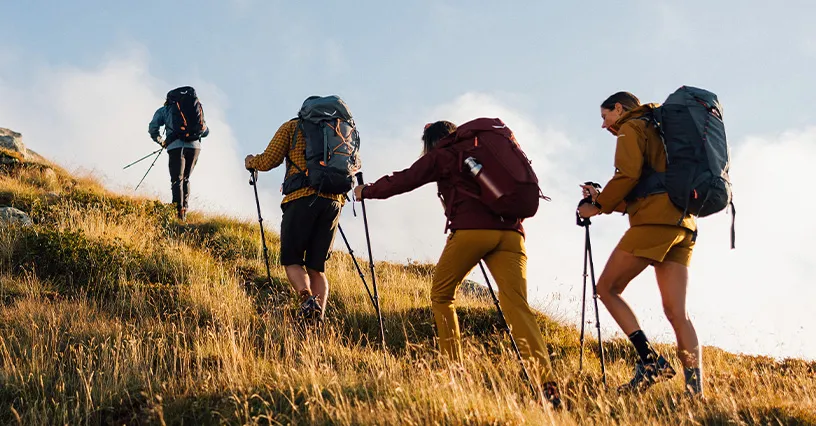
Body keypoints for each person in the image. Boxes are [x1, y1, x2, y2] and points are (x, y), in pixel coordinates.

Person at [353, 121, 561, 407]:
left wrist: (367, 191)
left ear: (431, 142)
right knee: (517, 306)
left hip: (472, 232)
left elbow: (406, 179)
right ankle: (547, 384)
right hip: (512, 235)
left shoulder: (444, 153)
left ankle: (455, 373)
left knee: (442, 295)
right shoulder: (484, 147)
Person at [577, 91, 703, 396]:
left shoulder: (631, 128)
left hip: (654, 223)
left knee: (607, 288)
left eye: (605, 116)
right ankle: (695, 392)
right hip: (683, 224)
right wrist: (603, 200)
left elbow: (628, 175)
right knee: (677, 313)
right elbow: (646, 190)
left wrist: (597, 206)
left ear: (619, 108)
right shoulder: (660, 129)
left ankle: (650, 362)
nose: (604, 124)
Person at [244, 117, 345, 322]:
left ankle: (308, 301)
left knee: (292, 259)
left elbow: (269, 160)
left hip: (301, 197)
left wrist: (251, 162)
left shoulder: (293, 126)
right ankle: (317, 319)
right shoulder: (340, 130)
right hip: (333, 201)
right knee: (317, 267)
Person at [148, 87, 209, 220]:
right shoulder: (196, 108)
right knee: (186, 178)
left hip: (175, 147)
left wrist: (161, 141)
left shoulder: (165, 110)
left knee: (177, 180)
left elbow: (152, 128)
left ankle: (177, 213)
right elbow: (205, 132)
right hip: (195, 147)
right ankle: (184, 211)